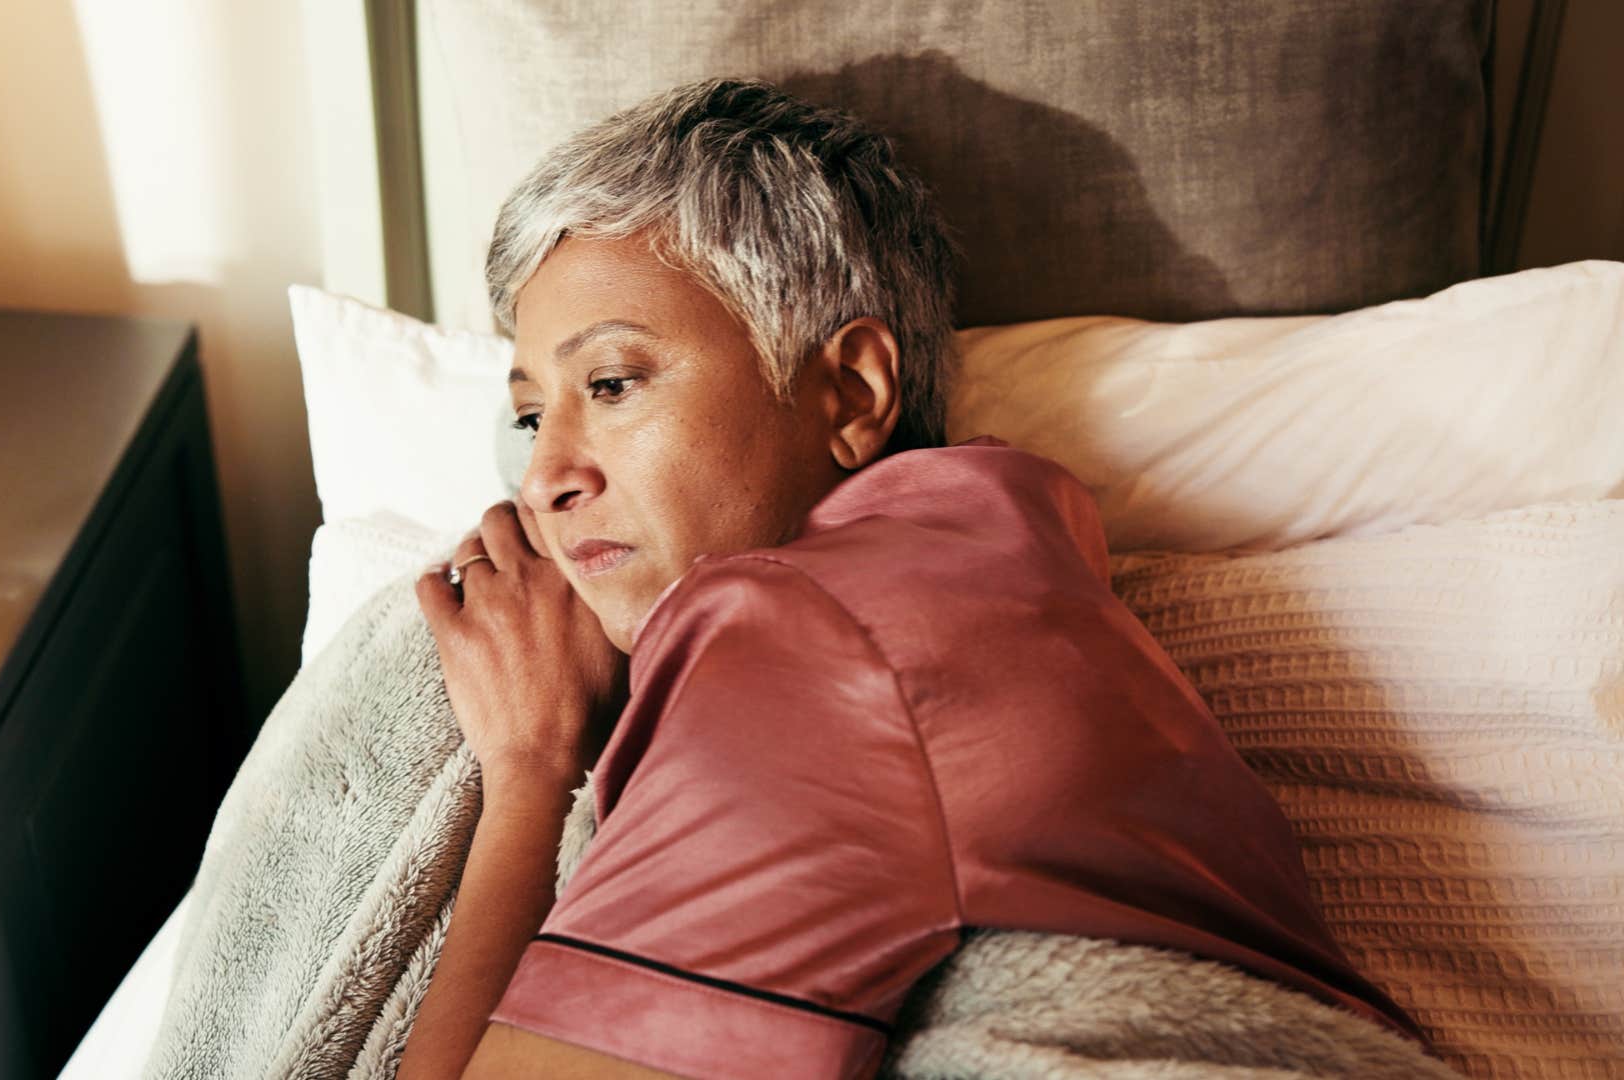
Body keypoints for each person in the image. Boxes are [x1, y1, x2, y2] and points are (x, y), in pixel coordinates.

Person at [400, 78, 1427, 1079]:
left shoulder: (813, 644)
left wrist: (530, 768)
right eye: (533, 415)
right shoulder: (1002, 573)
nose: (544, 479)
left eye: (614, 384)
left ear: (850, 390)